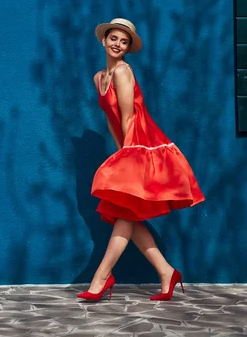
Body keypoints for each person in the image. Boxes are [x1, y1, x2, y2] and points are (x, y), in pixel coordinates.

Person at [77, 18, 205, 301]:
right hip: (127, 145)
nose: (118, 44)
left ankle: (101, 277)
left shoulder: (124, 71)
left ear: (127, 47)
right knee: (128, 213)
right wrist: (119, 148)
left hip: (142, 143)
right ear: (103, 40)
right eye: (114, 39)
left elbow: (128, 116)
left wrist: (128, 152)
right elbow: (110, 119)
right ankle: (166, 272)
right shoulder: (98, 78)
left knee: (124, 211)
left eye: (124, 41)